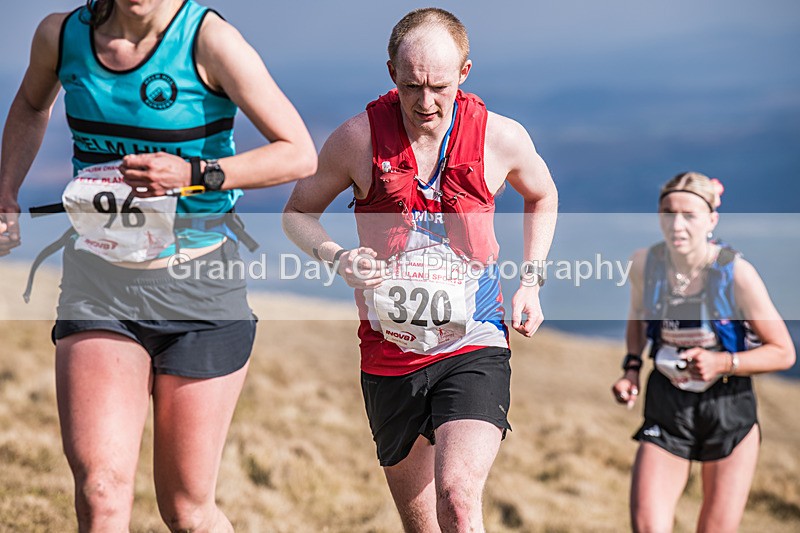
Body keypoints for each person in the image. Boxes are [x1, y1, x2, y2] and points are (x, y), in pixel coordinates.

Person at [0, 1, 316, 531]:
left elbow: (298, 153)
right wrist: (6, 191)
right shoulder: (61, 36)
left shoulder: (211, 41)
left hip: (201, 289)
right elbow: (32, 105)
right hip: (98, 282)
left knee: (188, 511)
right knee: (100, 492)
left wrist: (196, 172)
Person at [283, 8, 557, 532]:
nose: (426, 102)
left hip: (474, 342)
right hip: (390, 355)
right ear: (391, 72)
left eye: (440, 87)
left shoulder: (500, 138)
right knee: (423, 524)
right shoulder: (357, 140)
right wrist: (337, 257)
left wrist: (531, 281)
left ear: (465, 73)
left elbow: (543, 194)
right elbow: (297, 214)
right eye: (412, 86)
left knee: (456, 498)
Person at [611, 172, 795, 532]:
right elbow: (636, 320)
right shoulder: (645, 264)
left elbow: (783, 352)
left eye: (689, 215)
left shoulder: (736, 273)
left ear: (711, 219)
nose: (676, 224)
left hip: (728, 407)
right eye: (667, 213)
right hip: (666, 402)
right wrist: (631, 368)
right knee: (647, 526)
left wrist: (721, 362)